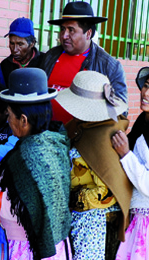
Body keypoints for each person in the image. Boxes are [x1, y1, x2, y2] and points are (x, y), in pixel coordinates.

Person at [0, 68, 72, 259]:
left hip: (26, 246)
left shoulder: (26, 153)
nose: (7, 121)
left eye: (8, 115)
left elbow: (20, 209)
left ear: (23, 120)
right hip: (56, 243)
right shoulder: (53, 142)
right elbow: (31, 186)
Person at [55, 70, 133, 260]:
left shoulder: (105, 136)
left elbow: (106, 194)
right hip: (78, 215)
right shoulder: (79, 126)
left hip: (92, 221)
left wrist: (70, 199)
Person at [40, 1, 127, 124]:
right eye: (63, 29)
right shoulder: (51, 56)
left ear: (88, 34)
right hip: (46, 132)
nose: (64, 35)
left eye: (71, 30)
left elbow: (121, 111)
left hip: (82, 138)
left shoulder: (109, 66)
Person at [112, 67, 149, 259]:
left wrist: (126, 154)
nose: (146, 93)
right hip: (136, 216)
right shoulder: (143, 120)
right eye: (147, 86)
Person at [1, 17, 44, 85]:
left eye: (20, 44)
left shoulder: (44, 62)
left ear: (32, 43)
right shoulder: (5, 65)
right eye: (12, 43)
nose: (15, 50)